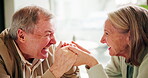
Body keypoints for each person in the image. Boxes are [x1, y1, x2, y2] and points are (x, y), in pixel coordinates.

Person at [68, 5, 148, 78]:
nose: (102, 40)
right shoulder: (122, 55)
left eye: (107, 33)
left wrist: (91, 62)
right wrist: (89, 58)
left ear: (130, 37)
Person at [0, 6, 80, 78]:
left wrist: (70, 64)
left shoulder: (51, 51)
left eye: (53, 34)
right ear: (22, 36)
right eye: (47, 34)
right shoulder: (2, 55)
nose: (54, 41)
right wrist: (55, 71)